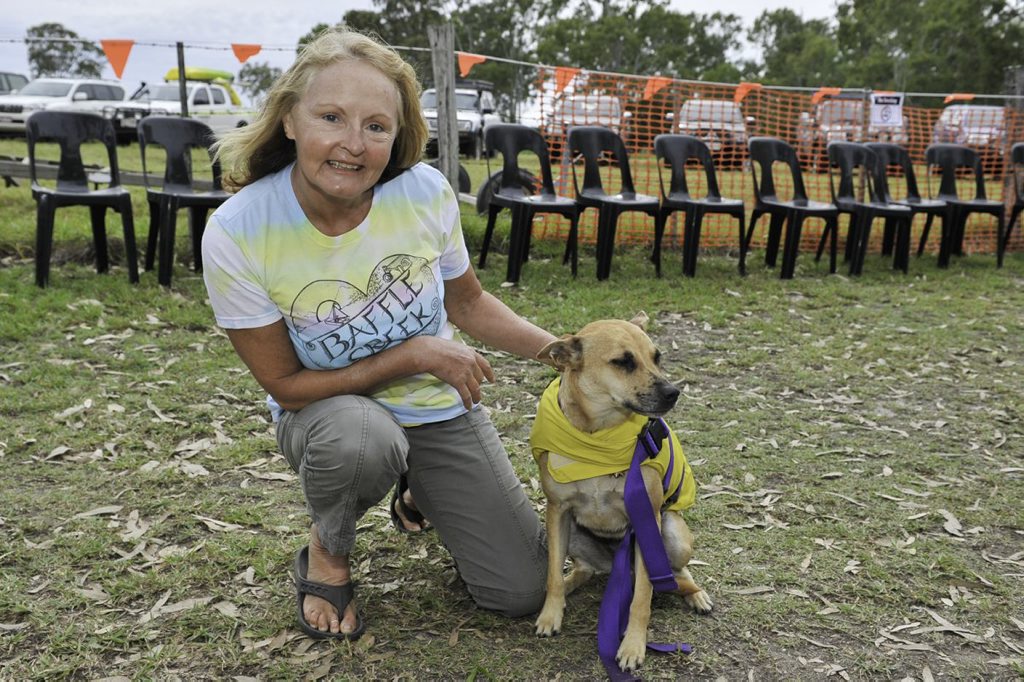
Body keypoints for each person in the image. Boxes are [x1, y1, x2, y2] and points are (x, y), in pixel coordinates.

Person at [202, 26, 552, 640]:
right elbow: (286, 385)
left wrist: (564, 353)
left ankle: (419, 487)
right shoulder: (238, 231)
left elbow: (467, 304)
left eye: (376, 126)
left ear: (398, 134)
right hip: (330, 416)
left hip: (435, 412)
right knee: (362, 439)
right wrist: (411, 352)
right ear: (289, 119)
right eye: (331, 117)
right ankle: (328, 553)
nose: (352, 145)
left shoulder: (422, 193)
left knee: (520, 590)